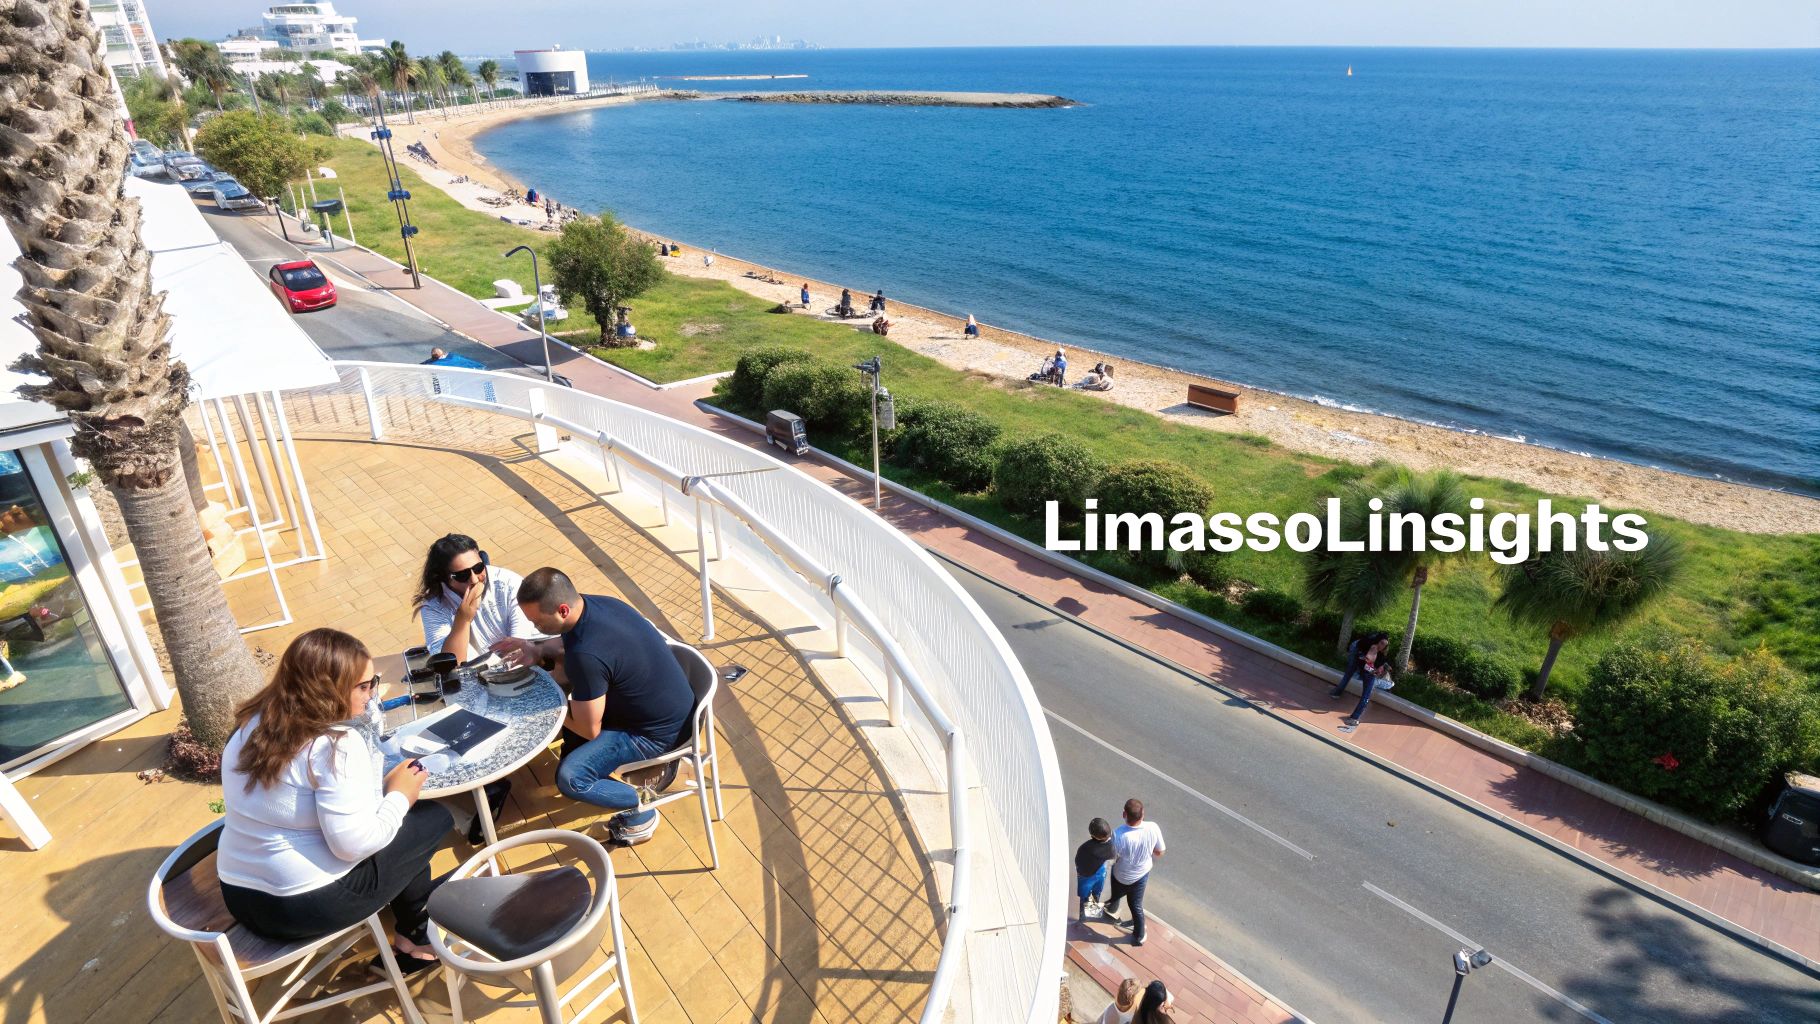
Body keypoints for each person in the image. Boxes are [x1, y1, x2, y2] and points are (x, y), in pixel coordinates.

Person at [216, 629, 451, 972]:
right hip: (302, 907)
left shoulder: (251, 722)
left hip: (240, 896)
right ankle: (415, 934)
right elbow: (354, 846)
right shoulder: (332, 745)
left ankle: (415, 928)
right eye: (364, 686)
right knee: (430, 819)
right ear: (327, 689)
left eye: (373, 682)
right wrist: (400, 795)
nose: (372, 695)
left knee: (395, 823)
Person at [516, 568, 694, 841]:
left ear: (563, 610)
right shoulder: (600, 604)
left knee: (572, 778)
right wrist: (538, 649)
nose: (535, 630)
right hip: (675, 707)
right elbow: (569, 644)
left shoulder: (586, 655)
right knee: (574, 709)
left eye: (538, 624)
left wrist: (550, 704)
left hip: (656, 735)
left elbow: (590, 730)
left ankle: (643, 804)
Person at [413, 534, 543, 663]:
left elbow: (520, 650)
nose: (474, 579)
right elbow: (450, 664)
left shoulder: (508, 583)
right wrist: (463, 619)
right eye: (462, 575)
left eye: (478, 568)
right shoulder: (434, 609)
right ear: (443, 577)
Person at [1104, 797, 1164, 946]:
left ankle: (1112, 909)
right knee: (1136, 904)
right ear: (1143, 814)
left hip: (1121, 875)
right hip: (1142, 874)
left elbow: (1112, 857)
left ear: (1124, 814)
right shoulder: (1153, 828)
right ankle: (1139, 935)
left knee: (1116, 893)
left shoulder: (1117, 835)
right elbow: (1159, 851)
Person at [1074, 816, 1115, 922]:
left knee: (1084, 893)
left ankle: (1082, 912)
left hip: (1086, 875)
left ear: (1092, 835)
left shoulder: (1086, 848)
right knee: (1098, 889)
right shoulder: (1111, 846)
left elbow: (1078, 860)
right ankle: (1095, 901)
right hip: (1101, 871)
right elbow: (1113, 856)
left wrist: (1079, 871)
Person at [1329, 631, 1389, 701]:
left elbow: (1378, 660)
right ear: (1378, 641)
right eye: (1382, 643)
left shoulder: (1381, 650)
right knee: (1349, 672)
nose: (1383, 646)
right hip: (1356, 649)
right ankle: (1336, 693)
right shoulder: (1367, 643)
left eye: (1385, 645)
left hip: (1363, 652)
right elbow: (1362, 657)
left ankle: (1337, 691)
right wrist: (1367, 665)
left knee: (1360, 670)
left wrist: (1380, 666)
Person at [1344, 657, 1394, 728]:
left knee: (1366, 697)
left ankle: (1354, 718)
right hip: (1370, 677)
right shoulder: (1376, 654)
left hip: (1367, 674)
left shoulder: (1373, 654)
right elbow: (1370, 668)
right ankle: (1353, 718)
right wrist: (1374, 670)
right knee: (1365, 698)